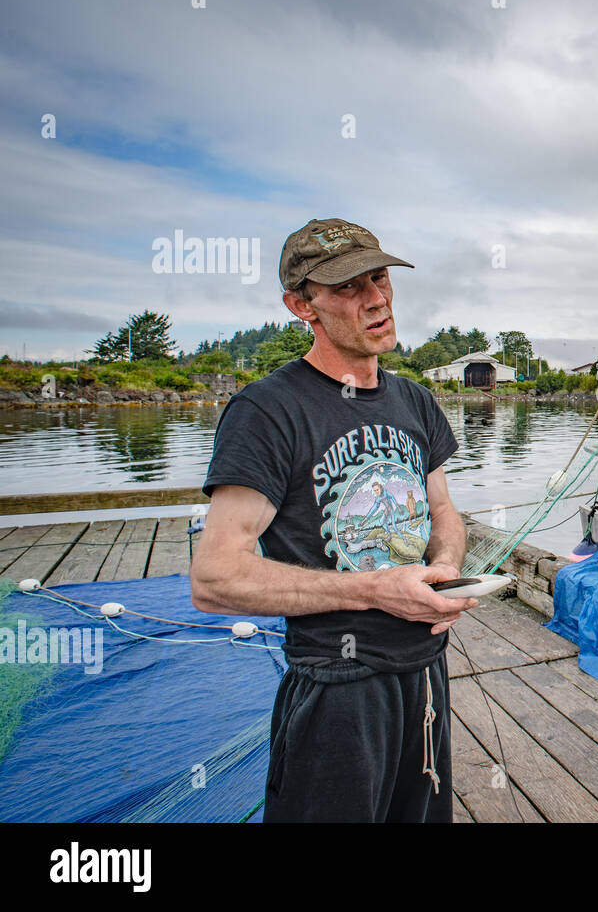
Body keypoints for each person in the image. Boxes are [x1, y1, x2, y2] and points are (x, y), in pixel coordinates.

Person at [191, 218, 477, 822]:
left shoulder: (416, 400)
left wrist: (447, 566)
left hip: (425, 672)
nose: (376, 298)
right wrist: (372, 589)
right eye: (349, 287)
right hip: (337, 688)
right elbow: (214, 577)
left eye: (379, 277)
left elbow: (443, 510)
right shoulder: (267, 410)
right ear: (301, 305)